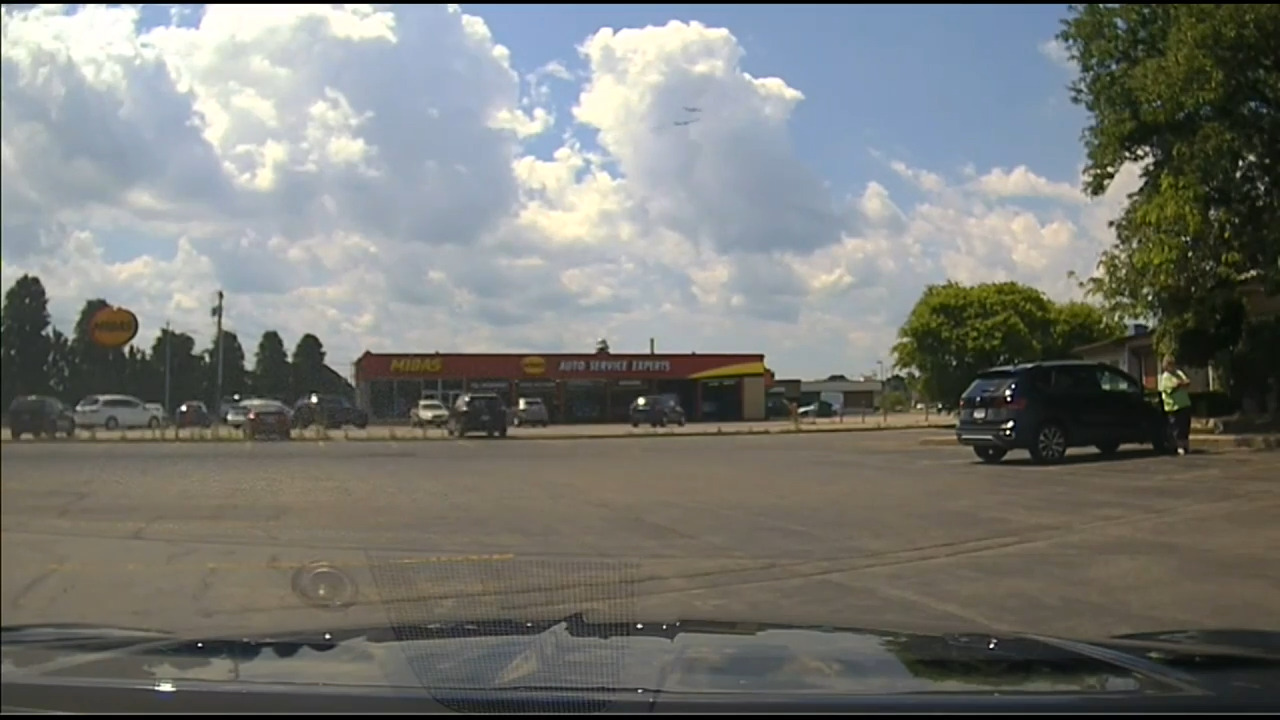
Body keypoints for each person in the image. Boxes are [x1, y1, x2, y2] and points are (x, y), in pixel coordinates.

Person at [1159, 355, 1193, 455]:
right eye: (1169, 364)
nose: (1172, 366)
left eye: (1173, 364)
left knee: (1185, 427)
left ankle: (1186, 445)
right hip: (1173, 407)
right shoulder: (1165, 377)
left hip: (1184, 404)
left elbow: (1187, 382)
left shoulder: (1179, 373)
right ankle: (1179, 446)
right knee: (1176, 428)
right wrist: (1181, 383)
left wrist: (1182, 383)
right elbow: (1173, 387)